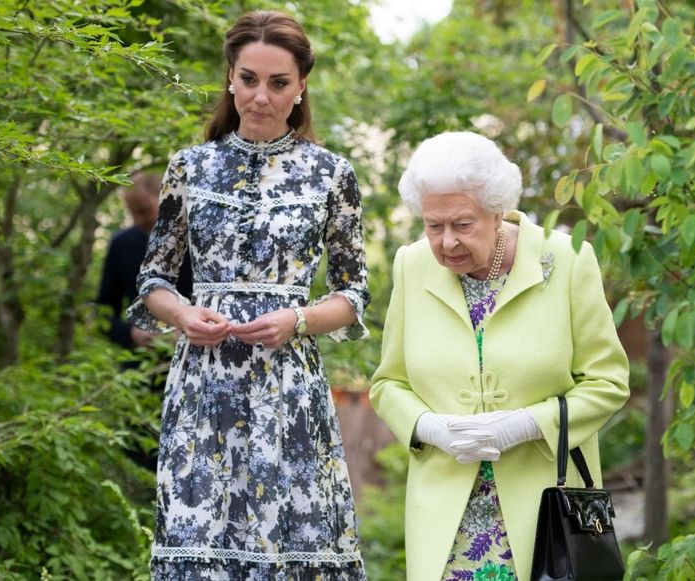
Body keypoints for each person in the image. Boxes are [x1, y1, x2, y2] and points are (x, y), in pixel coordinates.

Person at [126, 10, 370, 580]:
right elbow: (153, 282)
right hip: (204, 389)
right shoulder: (190, 167)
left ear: (301, 86)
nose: (261, 96)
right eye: (249, 79)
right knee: (200, 549)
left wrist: (299, 319)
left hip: (288, 391)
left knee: (288, 550)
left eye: (278, 83)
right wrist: (183, 313)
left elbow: (353, 294)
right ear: (230, 79)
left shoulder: (332, 175)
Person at [370, 131, 630, 581]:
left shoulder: (567, 261)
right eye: (434, 226)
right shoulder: (412, 265)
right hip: (446, 521)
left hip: (547, 518)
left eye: (462, 224)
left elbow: (608, 382)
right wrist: (431, 427)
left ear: (496, 211)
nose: (446, 242)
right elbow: (388, 383)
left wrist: (525, 425)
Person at [96, 171, 192, 352]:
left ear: (166, 196)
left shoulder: (199, 240)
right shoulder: (121, 245)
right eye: (132, 212)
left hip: (196, 356)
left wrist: (188, 328)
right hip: (140, 366)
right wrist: (132, 333)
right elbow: (103, 312)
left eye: (143, 210)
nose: (137, 220)